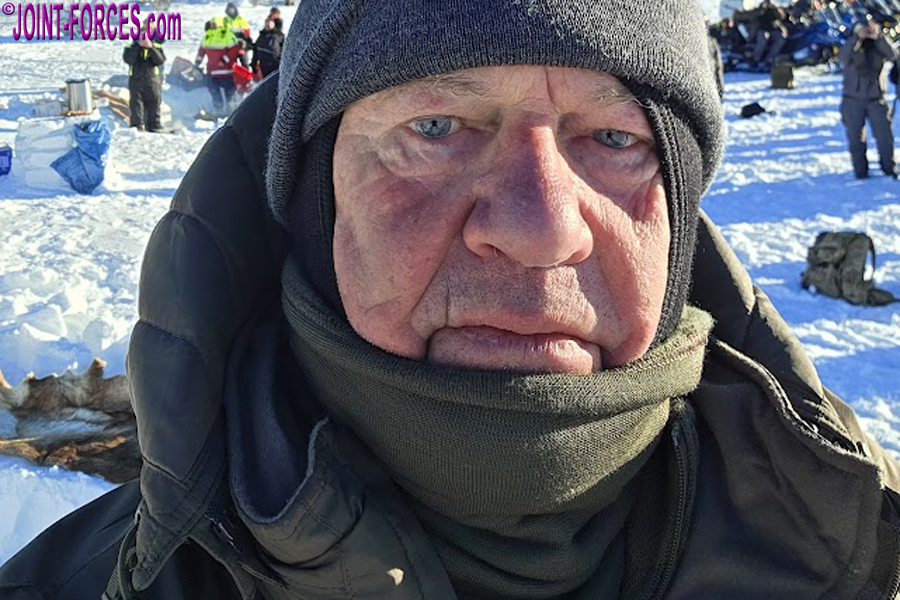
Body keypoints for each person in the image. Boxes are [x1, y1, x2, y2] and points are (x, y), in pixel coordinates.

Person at [4, 1, 900, 598]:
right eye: (435, 127)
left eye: (614, 138)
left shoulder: (872, 549)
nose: (543, 229)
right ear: (317, 204)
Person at [839, 18, 899, 179]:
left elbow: (893, 55)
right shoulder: (851, 45)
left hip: (876, 99)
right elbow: (843, 58)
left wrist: (878, 37)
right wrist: (856, 38)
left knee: (884, 137)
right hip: (852, 99)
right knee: (855, 138)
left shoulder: (879, 46)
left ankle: (889, 168)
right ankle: (860, 171)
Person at [122, 24, 165, 132]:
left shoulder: (156, 45)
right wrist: (138, 46)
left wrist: (151, 48)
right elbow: (128, 59)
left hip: (152, 79)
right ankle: (137, 125)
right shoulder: (132, 45)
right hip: (136, 79)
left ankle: (154, 125)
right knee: (136, 104)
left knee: (154, 103)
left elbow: (160, 60)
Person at [195, 18, 243, 115]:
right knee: (214, 92)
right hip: (212, 71)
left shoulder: (227, 35)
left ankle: (232, 112)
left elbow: (234, 50)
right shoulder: (207, 36)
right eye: (212, 24)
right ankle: (219, 110)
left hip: (225, 71)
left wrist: (224, 60)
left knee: (229, 93)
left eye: (215, 24)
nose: (213, 25)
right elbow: (202, 50)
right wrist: (197, 62)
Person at [223, 1, 252, 67]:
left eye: (232, 9)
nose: (231, 11)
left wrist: (247, 43)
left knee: (245, 63)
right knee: (232, 64)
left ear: (235, 9)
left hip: (241, 45)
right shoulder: (225, 20)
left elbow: (247, 32)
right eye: (229, 9)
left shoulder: (241, 20)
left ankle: (246, 73)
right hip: (230, 46)